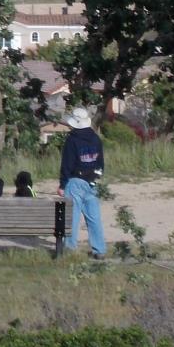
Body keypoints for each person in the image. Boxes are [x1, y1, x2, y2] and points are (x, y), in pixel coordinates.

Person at [58, 106, 106, 258]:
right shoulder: (96, 138)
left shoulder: (72, 140)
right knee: (94, 218)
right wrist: (96, 178)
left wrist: (62, 184)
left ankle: (70, 249)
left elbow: (67, 164)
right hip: (92, 181)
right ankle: (99, 250)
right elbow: (100, 163)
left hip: (75, 181)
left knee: (72, 217)